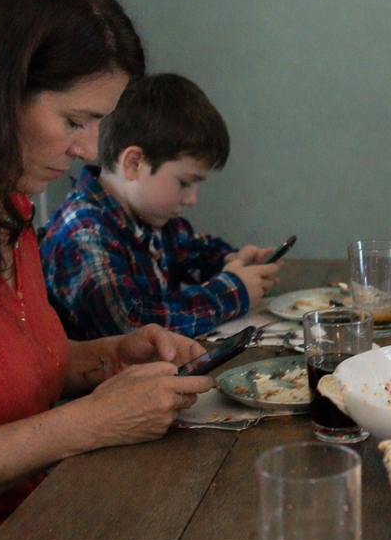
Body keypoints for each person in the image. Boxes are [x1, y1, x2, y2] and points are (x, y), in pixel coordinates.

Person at [0, 0, 213, 540]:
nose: (89, 148)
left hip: (40, 512)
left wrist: (104, 356)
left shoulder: (7, 205)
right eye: (76, 119)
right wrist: (90, 423)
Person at [40, 73, 279, 341]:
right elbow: (133, 324)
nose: (192, 199)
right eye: (184, 183)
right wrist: (232, 292)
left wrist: (233, 261)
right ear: (133, 163)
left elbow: (195, 251)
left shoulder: (150, 216)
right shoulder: (84, 234)